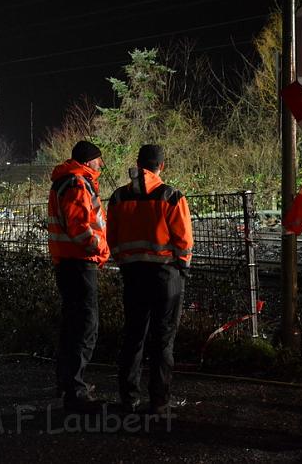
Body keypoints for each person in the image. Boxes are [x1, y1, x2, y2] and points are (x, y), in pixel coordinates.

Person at [107, 144, 193, 414]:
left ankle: (128, 397)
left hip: (133, 274)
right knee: (163, 339)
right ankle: (159, 400)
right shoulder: (171, 196)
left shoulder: (118, 198)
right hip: (166, 276)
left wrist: (123, 261)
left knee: (133, 336)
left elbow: (112, 238)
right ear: (161, 166)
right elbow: (184, 240)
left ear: (138, 164)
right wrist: (183, 266)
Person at [47, 140, 109, 412]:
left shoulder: (66, 181)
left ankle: (68, 383)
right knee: (85, 326)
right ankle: (76, 390)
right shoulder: (76, 183)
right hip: (80, 262)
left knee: (72, 324)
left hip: (67, 262)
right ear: (88, 161)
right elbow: (81, 228)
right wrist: (102, 248)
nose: (101, 164)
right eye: (98, 159)